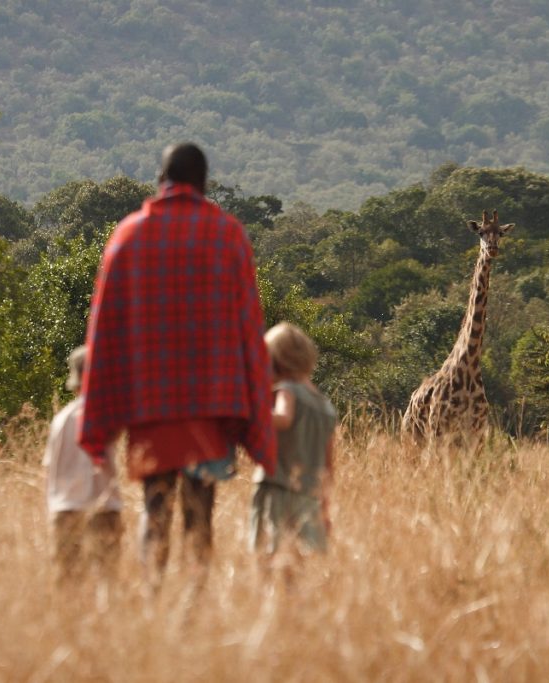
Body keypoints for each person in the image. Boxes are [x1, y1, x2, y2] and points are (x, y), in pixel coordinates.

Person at [79, 142, 276, 592]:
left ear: (161, 180)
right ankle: (193, 606)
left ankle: (152, 598)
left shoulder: (128, 235)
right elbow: (249, 329)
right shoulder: (228, 235)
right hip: (210, 408)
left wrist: (102, 417)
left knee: (155, 509)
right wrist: (255, 412)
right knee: (200, 513)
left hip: (151, 409)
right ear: (204, 184)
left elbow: (103, 332)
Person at [250, 322, 337, 575]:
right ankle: (294, 610)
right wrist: (325, 510)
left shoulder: (287, 390)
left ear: (277, 362)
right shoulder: (325, 406)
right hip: (309, 498)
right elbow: (329, 465)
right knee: (297, 568)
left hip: (278, 490)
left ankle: (268, 610)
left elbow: (284, 418)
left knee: (267, 563)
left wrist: (251, 413)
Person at [43, 345, 123, 585]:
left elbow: (48, 467)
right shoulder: (109, 416)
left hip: (65, 506)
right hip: (103, 504)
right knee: (106, 579)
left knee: (67, 580)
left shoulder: (61, 419)